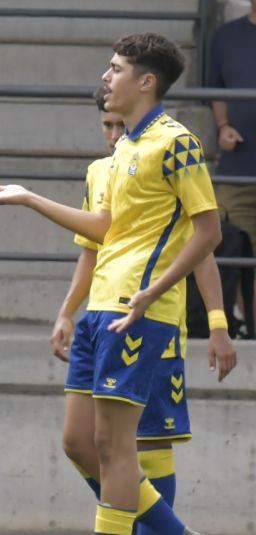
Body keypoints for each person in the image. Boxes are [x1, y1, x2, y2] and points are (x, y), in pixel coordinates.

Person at [0, 33, 220, 535]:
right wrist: (30, 199)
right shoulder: (124, 146)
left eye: (115, 68)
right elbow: (103, 229)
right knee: (78, 442)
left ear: (146, 81)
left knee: (117, 446)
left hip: (137, 309)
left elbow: (208, 230)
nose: (106, 77)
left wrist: (161, 293)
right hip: (101, 308)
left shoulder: (177, 142)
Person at [52, 88, 237, 535]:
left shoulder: (168, 149)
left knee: (147, 444)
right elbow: (93, 250)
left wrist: (217, 323)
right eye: (106, 127)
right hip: (105, 314)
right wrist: (66, 312)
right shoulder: (100, 172)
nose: (114, 135)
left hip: (155, 321)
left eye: (119, 126)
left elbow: (201, 246)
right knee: (90, 444)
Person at [208, 0, 256, 250]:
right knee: (236, 257)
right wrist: (223, 125)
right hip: (238, 172)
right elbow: (218, 90)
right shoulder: (226, 36)